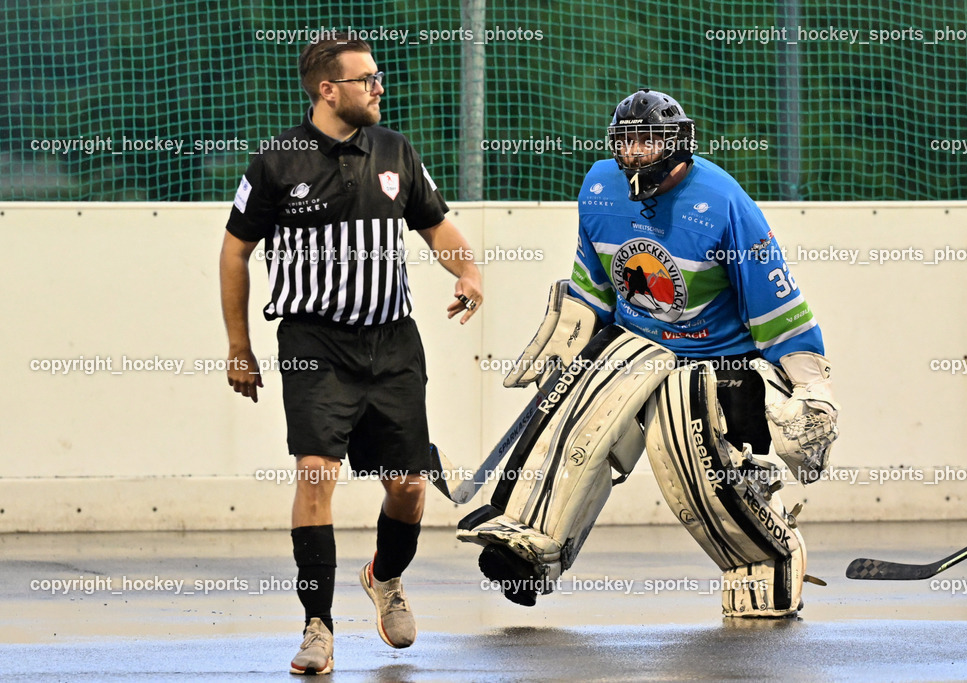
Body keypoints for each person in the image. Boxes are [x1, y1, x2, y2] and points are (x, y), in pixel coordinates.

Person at [457, 89, 838, 618]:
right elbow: (594, 285)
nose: (634, 153)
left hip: (715, 363)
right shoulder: (599, 187)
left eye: (648, 140)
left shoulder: (724, 202)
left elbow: (777, 306)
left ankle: (765, 557)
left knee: (697, 472)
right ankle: (530, 542)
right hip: (634, 344)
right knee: (571, 428)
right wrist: (569, 345)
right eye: (626, 141)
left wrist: (812, 387)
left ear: (678, 143)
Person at [219, 34, 482, 675]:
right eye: (366, 79)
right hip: (314, 342)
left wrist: (468, 271)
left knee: (409, 487)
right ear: (328, 89)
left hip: (393, 343)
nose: (378, 87)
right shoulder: (276, 161)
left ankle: (384, 577)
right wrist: (239, 347)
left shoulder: (395, 150)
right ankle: (318, 626)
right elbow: (234, 252)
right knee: (316, 474)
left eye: (377, 76)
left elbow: (436, 225)